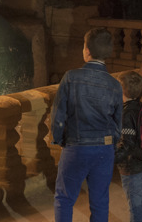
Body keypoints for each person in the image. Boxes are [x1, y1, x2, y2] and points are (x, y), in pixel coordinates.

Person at [52, 28, 123, 222]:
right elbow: (118, 123)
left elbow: (58, 115)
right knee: (100, 201)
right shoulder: (115, 85)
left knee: (64, 198)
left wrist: (59, 138)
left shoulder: (70, 77)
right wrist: (111, 142)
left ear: (87, 51)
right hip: (104, 148)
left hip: (76, 146)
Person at [116, 71, 142, 222]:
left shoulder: (127, 114)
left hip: (132, 169)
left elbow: (128, 144)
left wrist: (111, 158)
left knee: (136, 208)